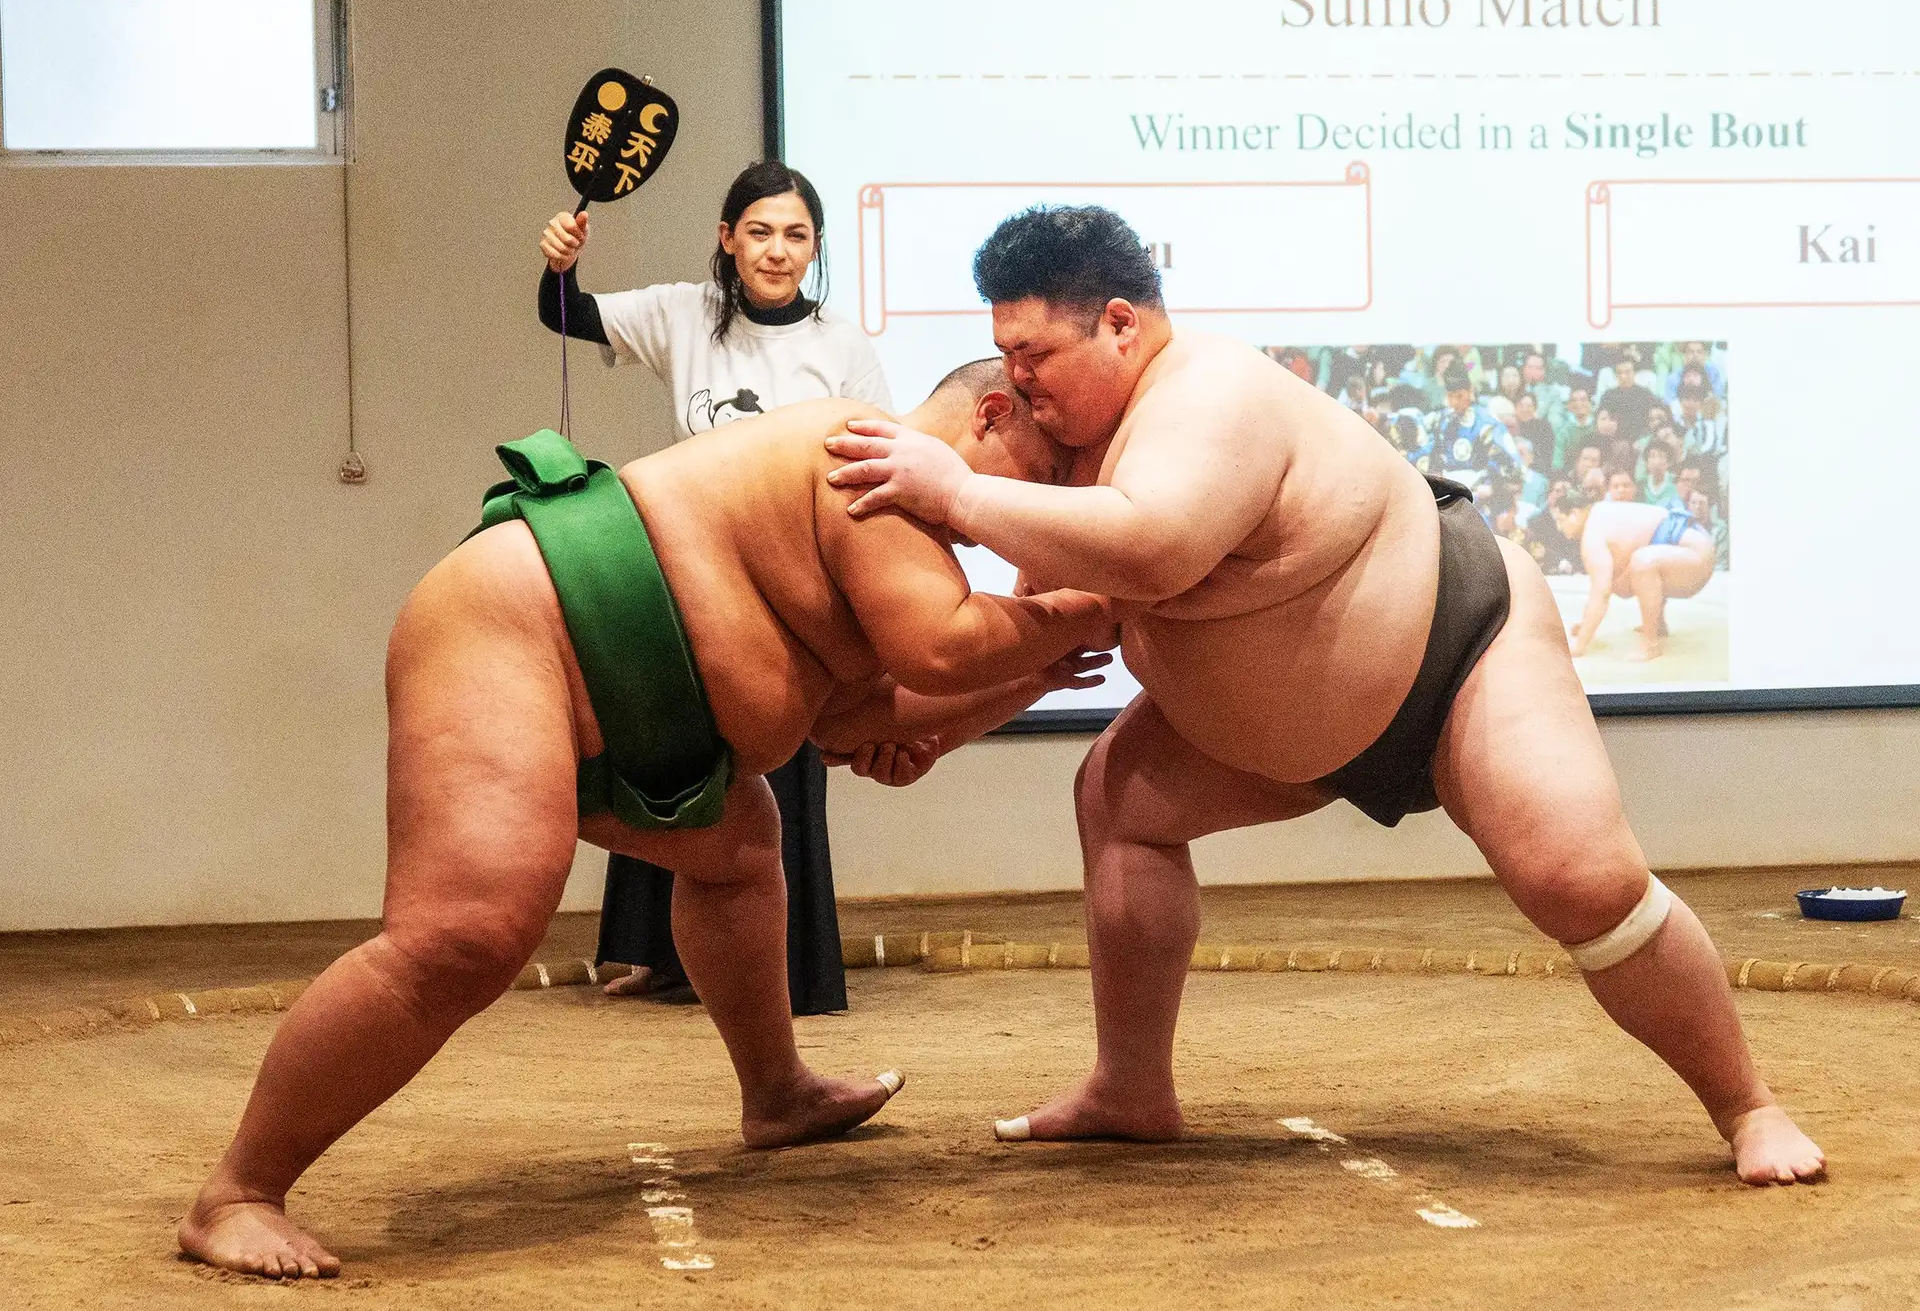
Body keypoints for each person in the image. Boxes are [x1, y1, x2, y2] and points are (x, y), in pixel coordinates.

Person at [824, 204, 1822, 1186]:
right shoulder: (1070, 465)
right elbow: (1046, 640)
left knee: (1581, 883)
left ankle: (1748, 1105)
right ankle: (1130, 1087)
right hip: (1290, 739)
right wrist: (931, 734)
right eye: (1006, 354)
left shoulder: (1209, 394)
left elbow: (1157, 545)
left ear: (1120, 325)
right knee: (1118, 799)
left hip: (1459, 654)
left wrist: (957, 493)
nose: (1019, 379)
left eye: (1034, 353)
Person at [178, 360, 1117, 1280]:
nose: (1032, 513)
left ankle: (778, 1096)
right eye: (1044, 479)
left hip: (618, 694)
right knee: (464, 935)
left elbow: (858, 719)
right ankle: (237, 1192)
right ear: (991, 414)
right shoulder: (871, 457)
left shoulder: (905, 536)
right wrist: (1084, 607)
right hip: (516, 625)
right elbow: (940, 646)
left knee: (738, 849)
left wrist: (1032, 672)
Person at [538, 159, 887, 1012]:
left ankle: (784, 972)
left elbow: (882, 459)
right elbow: (565, 313)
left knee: (779, 779)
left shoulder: (842, 344)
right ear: (727, 239)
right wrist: (562, 264)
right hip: (691, 581)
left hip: (796, 595)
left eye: (796, 235)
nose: (777, 251)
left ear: (816, 248)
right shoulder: (682, 313)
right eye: (759, 232)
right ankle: (663, 959)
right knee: (668, 758)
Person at [1568, 492, 1717, 661]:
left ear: (1574, 514)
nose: (1559, 528)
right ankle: (1658, 626)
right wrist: (1585, 625)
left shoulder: (1592, 532)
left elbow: (1601, 592)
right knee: (1631, 570)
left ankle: (1651, 645)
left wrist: (1579, 644)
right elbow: (1606, 584)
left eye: (1560, 520)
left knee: (1642, 563)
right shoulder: (1600, 513)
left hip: (1695, 555)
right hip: (1690, 550)